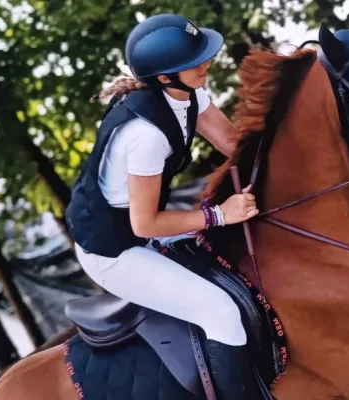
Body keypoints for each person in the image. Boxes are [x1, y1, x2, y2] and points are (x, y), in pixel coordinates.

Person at [65, 13, 263, 399]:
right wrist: (221, 214)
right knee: (220, 312)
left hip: (140, 229)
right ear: (165, 77)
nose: (206, 61)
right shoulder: (144, 134)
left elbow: (234, 145)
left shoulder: (187, 95)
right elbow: (145, 224)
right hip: (114, 250)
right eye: (194, 61)